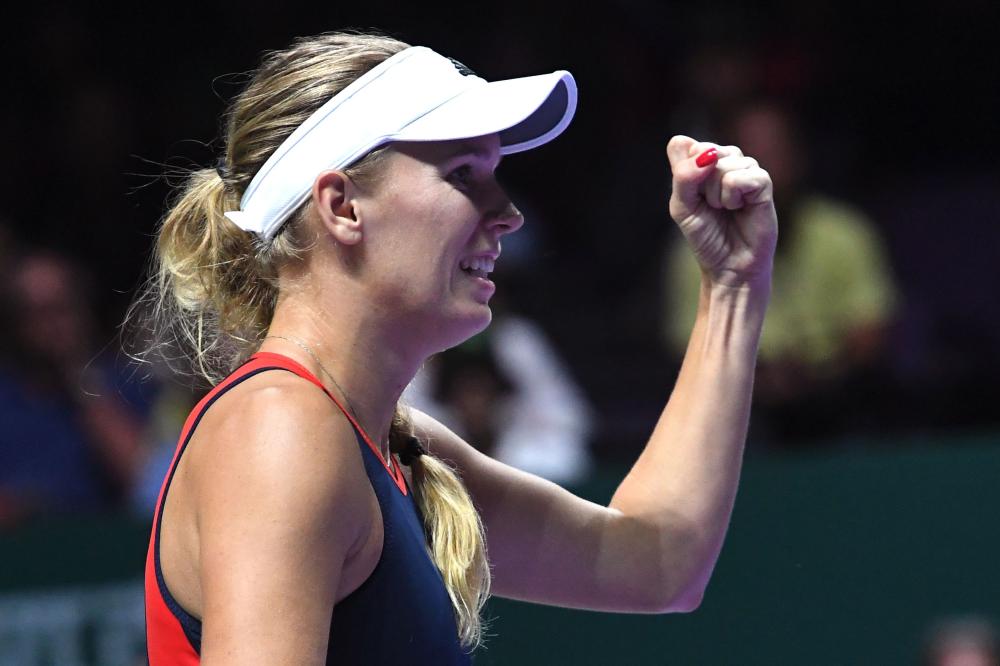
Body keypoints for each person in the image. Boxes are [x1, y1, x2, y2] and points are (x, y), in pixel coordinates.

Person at [136, 32, 776, 665]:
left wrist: (732, 285)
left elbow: (658, 564)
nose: (509, 213)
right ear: (342, 207)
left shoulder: (393, 449)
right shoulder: (280, 428)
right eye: (464, 173)